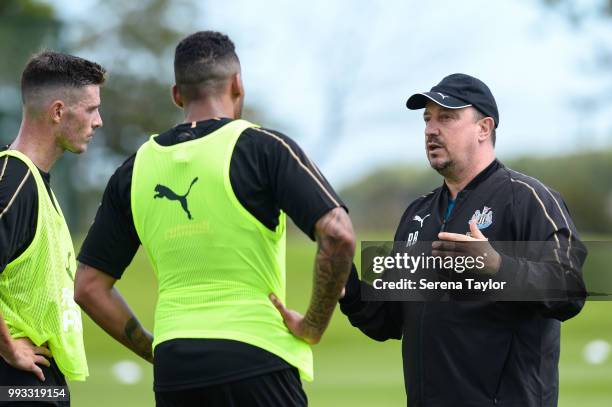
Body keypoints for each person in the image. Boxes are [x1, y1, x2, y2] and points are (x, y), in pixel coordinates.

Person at [74, 31, 355, 406]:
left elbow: (89, 287)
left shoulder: (134, 169)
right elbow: (338, 234)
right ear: (237, 84)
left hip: (176, 369)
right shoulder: (263, 148)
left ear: (177, 94)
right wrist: (312, 325)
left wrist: (159, 350)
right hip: (256, 356)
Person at [340, 73, 587, 406]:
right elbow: (388, 319)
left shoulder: (529, 199)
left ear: (484, 128)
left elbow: (570, 289)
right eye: (427, 119)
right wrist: (345, 284)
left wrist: (498, 266)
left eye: (447, 117)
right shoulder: (417, 213)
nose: (431, 129)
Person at [0, 51, 105, 405]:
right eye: (91, 109)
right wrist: (8, 346)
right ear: (58, 111)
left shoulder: (35, 183)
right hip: (17, 382)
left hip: (38, 380)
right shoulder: (13, 180)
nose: (99, 121)